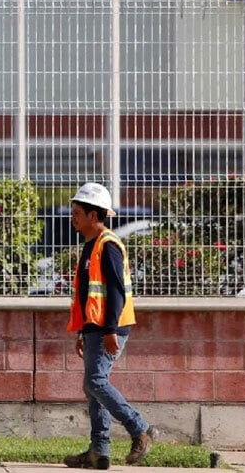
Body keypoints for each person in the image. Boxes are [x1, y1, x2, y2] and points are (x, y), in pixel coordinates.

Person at [64, 183, 158, 469]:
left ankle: (140, 429)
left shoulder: (109, 246)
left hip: (109, 327)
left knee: (95, 382)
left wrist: (110, 330)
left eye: (78, 212)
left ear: (94, 216)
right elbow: (90, 294)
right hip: (94, 327)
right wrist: (83, 331)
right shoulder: (91, 245)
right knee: (92, 386)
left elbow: (117, 291)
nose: (73, 217)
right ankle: (99, 451)